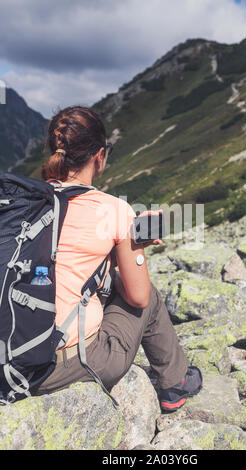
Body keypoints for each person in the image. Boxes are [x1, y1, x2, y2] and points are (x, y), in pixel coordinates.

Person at [34, 105, 202, 412]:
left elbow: (61, 260)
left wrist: (113, 254)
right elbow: (138, 297)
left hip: (10, 354)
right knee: (148, 298)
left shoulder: (23, 201)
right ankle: (174, 384)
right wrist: (133, 246)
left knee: (104, 281)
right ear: (100, 156)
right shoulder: (113, 210)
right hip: (58, 367)